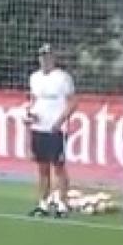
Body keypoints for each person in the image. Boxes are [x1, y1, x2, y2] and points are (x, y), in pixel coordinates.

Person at [26, 44, 77, 218]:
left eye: (48, 56)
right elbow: (33, 101)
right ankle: (43, 203)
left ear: (53, 58)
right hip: (38, 127)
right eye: (42, 56)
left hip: (55, 129)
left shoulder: (63, 78)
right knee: (42, 167)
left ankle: (62, 204)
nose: (44, 60)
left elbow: (72, 103)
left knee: (58, 166)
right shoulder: (34, 78)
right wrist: (29, 115)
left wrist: (59, 121)